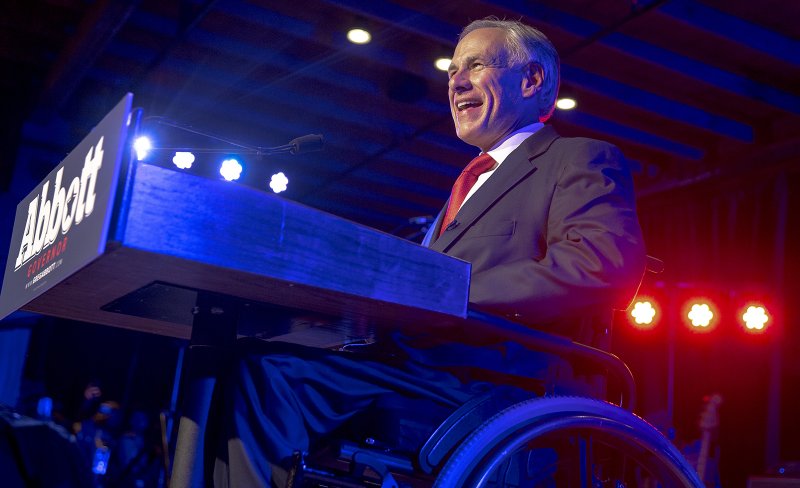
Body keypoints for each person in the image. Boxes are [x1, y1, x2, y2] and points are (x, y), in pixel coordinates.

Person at [213, 17, 645, 486]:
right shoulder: (470, 184)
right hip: (418, 367)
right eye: (452, 72)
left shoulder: (578, 157)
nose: (456, 82)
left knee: (268, 376)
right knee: (214, 371)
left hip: (493, 384)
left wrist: (444, 289)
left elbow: (600, 266)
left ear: (532, 79)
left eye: (475, 66)